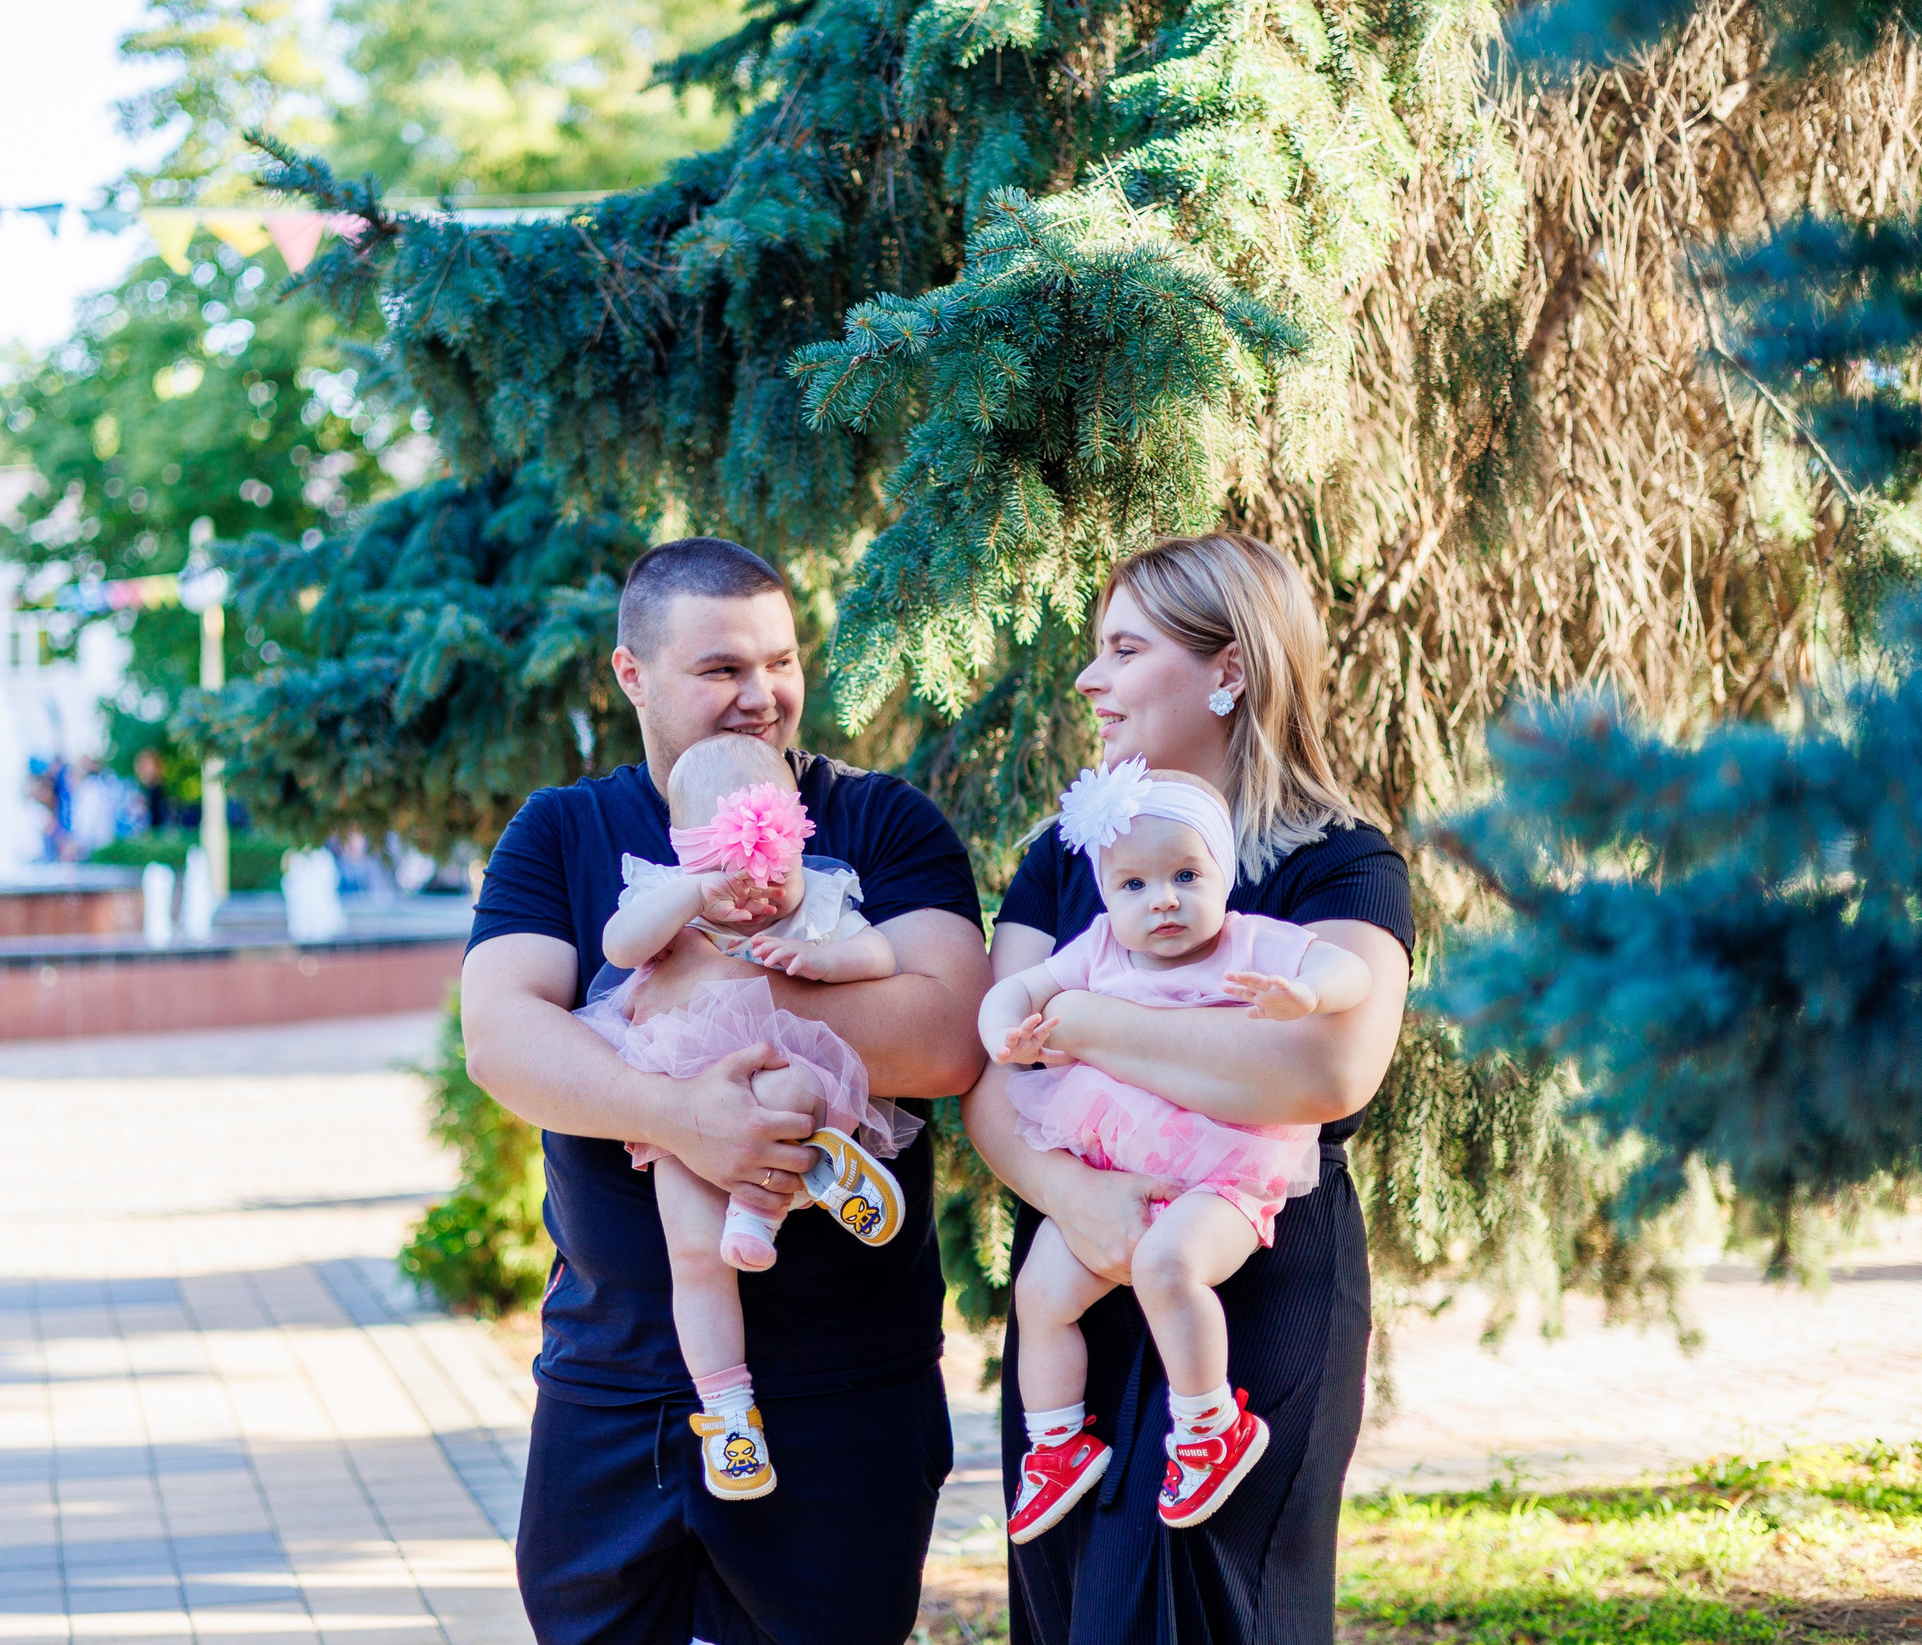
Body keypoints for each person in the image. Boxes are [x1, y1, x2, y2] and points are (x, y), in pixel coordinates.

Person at [464, 536, 992, 1645]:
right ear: (632, 676)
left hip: (844, 1383)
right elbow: (501, 1034)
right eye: (721, 670)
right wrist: (676, 1116)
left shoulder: (882, 824)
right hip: (619, 1376)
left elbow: (945, 1035)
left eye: (781, 661)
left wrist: (713, 997)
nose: (762, 696)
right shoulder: (562, 834)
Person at [964, 532, 1412, 1645]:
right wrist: (1073, 1199)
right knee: (1071, 1602)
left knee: (1219, 1607)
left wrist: (1089, 1026)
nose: (1088, 679)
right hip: (1075, 1268)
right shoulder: (1067, 858)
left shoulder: (1340, 862)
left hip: (1250, 1277)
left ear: (1228, 670)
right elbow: (990, 1074)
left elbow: (1323, 1068)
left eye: (1123, 648)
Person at [977, 763, 1371, 1542]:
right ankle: (1056, 1441)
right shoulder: (1096, 953)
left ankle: (1209, 1426)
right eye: (1133, 885)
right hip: (1114, 1167)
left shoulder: (1247, 942)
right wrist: (1003, 1029)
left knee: (1167, 1265)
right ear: (1107, 893)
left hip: (1226, 1169)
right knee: (1041, 1293)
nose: (1162, 898)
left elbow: (1346, 966)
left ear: (1222, 872)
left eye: (1187, 875)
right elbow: (1015, 990)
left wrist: (1310, 994)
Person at [577, 732, 920, 1502]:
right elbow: (618, 943)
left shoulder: (819, 901)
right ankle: (730, 1414)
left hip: (781, 1080)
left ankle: (791, 1193)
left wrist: (829, 960)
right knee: (693, 1258)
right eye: (739, 876)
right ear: (693, 859)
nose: (762, 894)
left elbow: (881, 956)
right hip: (684, 1111)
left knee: (798, 1079)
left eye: (777, 871)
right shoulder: (672, 906)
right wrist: (695, 895)